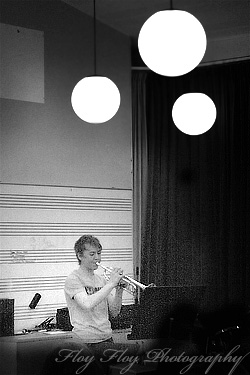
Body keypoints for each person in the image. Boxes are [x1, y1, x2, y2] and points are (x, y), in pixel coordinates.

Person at [64, 234, 125, 344]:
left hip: (107, 338)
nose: (97, 258)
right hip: (85, 341)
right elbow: (86, 304)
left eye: (99, 253)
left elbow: (114, 312)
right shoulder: (73, 279)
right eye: (92, 254)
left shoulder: (101, 280)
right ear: (80, 256)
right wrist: (111, 284)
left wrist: (119, 290)